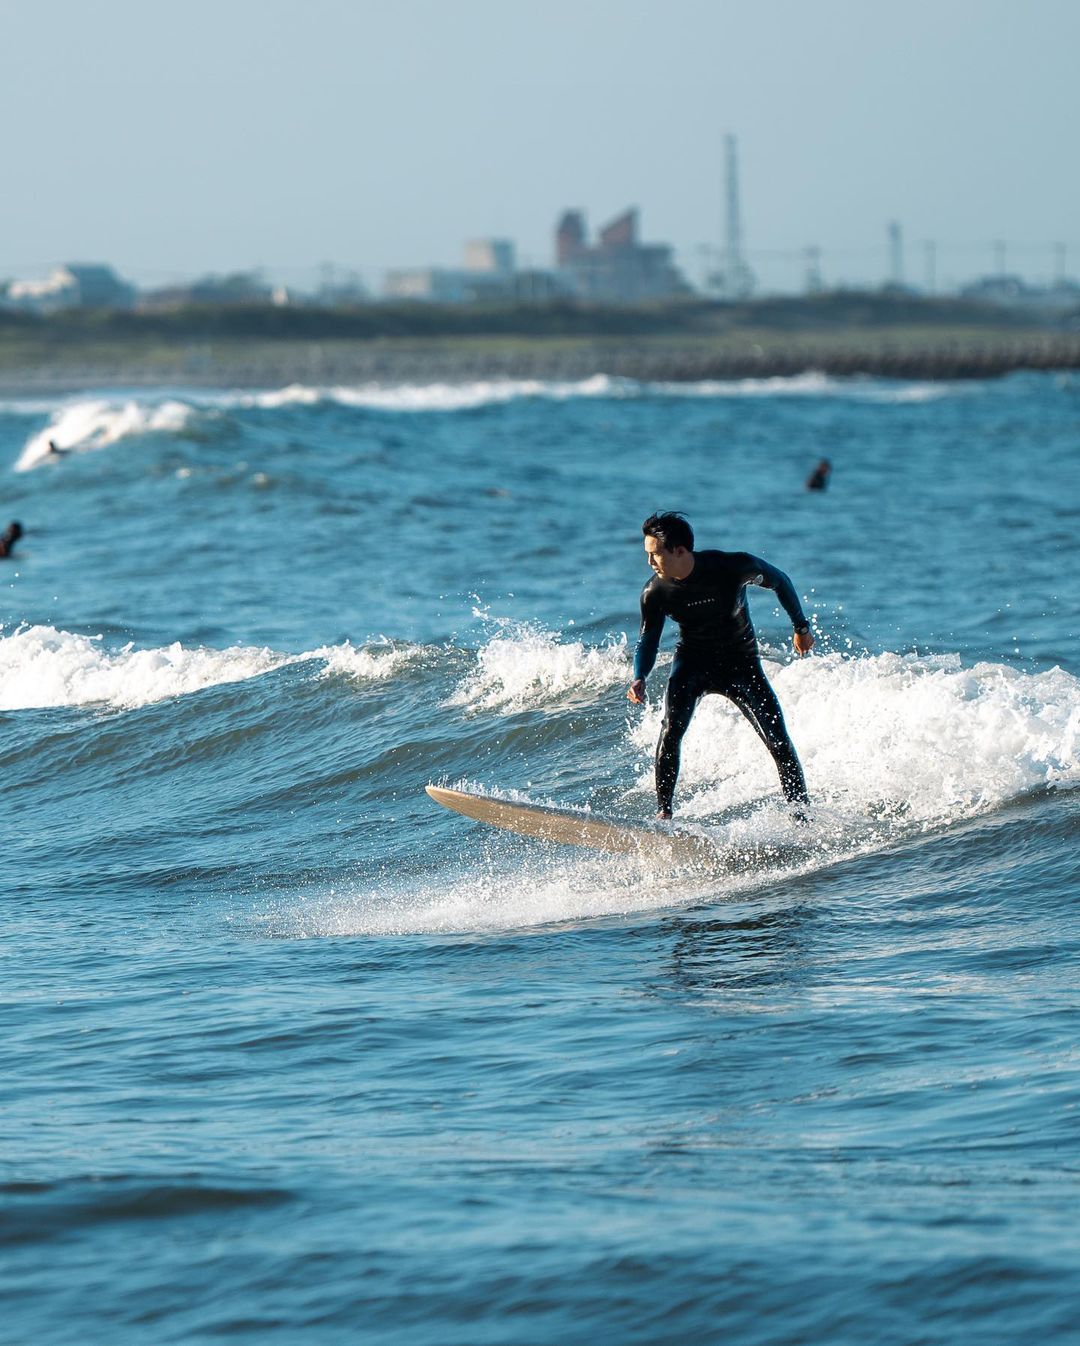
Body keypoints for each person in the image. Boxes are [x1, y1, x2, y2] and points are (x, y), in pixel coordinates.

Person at [627, 512, 813, 819]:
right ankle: (664, 814)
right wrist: (639, 676)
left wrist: (801, 628)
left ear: (680, 551)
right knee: (671, 729)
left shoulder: (733, 568)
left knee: (778, 740)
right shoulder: (655, 592)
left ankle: (801, 817)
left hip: (741, 663)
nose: (649, 562)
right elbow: (648, 640)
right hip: (692, 662)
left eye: (655, 554)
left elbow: (781, 581)